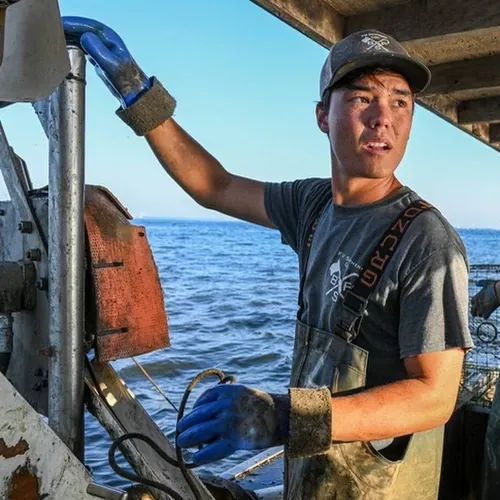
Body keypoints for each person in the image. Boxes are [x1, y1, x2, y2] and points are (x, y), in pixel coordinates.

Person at [64, 18, 473, 499]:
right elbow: (214, 185)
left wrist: (282, 416)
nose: (383, 117)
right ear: (322, 116)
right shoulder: (313, 206)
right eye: (362, 98)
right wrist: (136, 92)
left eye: (400, 101)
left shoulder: (426, 238)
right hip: (313, 481)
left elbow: (434, 397)